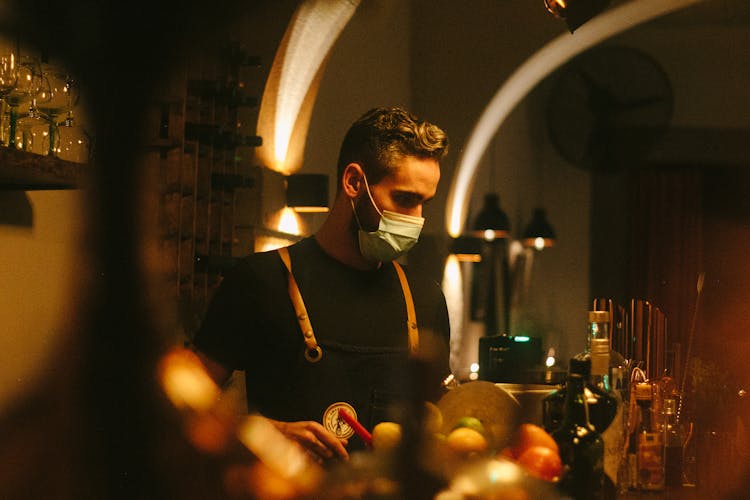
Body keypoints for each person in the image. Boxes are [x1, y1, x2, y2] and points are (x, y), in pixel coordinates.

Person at [192, 106, 451, 464]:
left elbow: (439, 429)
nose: (416, 220)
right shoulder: (260, 281)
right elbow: (180, 408)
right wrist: (267, 432)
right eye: (404, 200)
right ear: (354, 183)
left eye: (424, 203)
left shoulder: (424, 298)